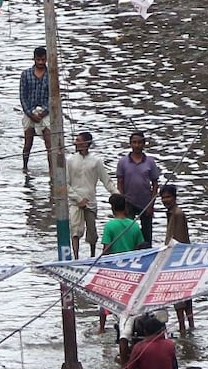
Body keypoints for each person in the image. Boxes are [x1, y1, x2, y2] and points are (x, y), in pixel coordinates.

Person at [98, 194, 145, 337]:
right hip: (131, 269)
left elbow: (106, 250)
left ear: (112, 209)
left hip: (114, 269)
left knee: (105, 299)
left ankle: (101, 328)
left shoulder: (109, 226)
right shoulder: (134, 225)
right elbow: (140, 247)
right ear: (125, 207)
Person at [67, 132, 118, 259]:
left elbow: (107, 181)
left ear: (86, 143)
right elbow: (65, 184)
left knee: (92, 233)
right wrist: (78, 199)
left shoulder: (96, 162)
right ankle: (76, 257)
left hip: (90, 201)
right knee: (75, 231)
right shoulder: (70, 160)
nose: (75, 143)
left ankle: (92, 256)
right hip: (75, 201)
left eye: (78, 140)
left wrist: (117, 195)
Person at [160, 184, 193, 334]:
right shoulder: (172, 213)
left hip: (178, 261)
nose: (165, 200)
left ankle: (183, 329)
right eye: (163, 197)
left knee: (179, 297)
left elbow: (177, 240)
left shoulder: (177, 214)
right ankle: (188, 328)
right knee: (186, 296)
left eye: (168, 197)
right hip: (181, 260)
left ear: (174, 197)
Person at [116, 132, 159, 246]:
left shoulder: (150, 162)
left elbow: (155, 184)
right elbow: (120, 182)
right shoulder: (123, 162)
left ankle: (147, 252)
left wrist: (151, 204)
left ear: (144, 144)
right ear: (130, 144)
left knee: (147, 234)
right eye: (134, 142)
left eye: (139, 142)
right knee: (128, 231)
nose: (137, 145)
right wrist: (122, 201)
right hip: (128, 203)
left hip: (146, 203)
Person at [19, 47, 52, 173]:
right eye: (38, 60)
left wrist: (44, 112)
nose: (40, 62)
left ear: (46, 59)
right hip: (30, 112)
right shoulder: (25, 74)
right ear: (34, 59)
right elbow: (23, 96)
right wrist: (30, 113)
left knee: (50, 144)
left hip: (45, 112)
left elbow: (53, 96)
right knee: (28, 144)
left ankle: (52, 171)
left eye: (43, 60)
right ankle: (25, 167)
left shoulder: (50, 75)